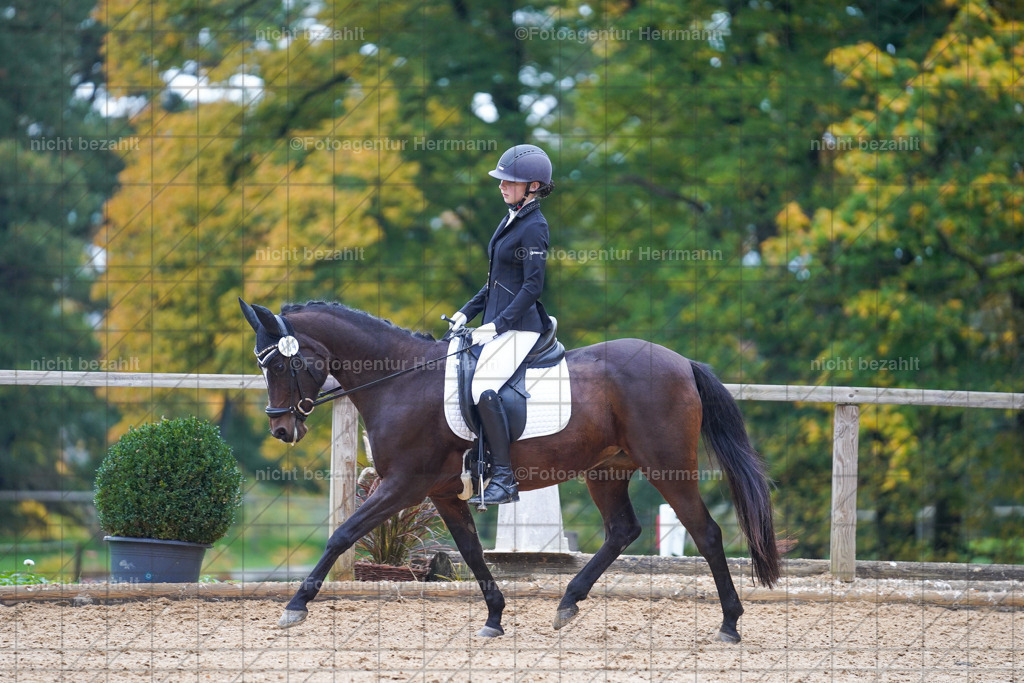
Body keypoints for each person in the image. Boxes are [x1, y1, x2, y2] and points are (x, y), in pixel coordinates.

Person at [448, 144, 554, 505]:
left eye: (510, 181)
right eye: (502, 180)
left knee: (483, 388)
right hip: (498, 322)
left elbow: (531, 287)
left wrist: (498, 325)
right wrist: (467, 312)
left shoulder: (535, 227)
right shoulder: (511, 218)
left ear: (534, 186)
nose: (502, 186)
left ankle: (505, 479)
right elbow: (496, 282)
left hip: (521, 326)